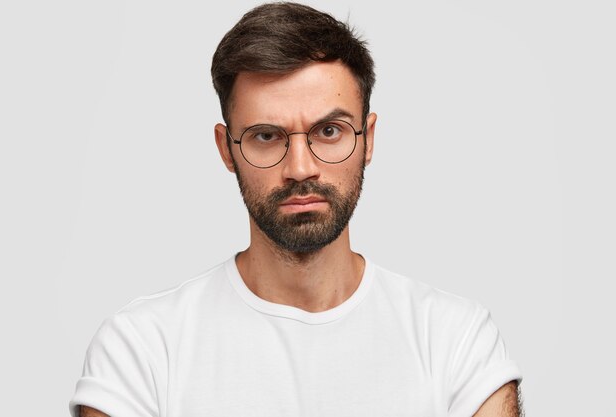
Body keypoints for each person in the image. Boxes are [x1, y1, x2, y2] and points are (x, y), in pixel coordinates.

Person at [70, 3, 523, 416]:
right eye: (266, 136)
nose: (300, 168)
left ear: (367, 139)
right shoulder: (142, 351)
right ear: (226, 150)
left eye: (329, 131)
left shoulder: (456, 342)